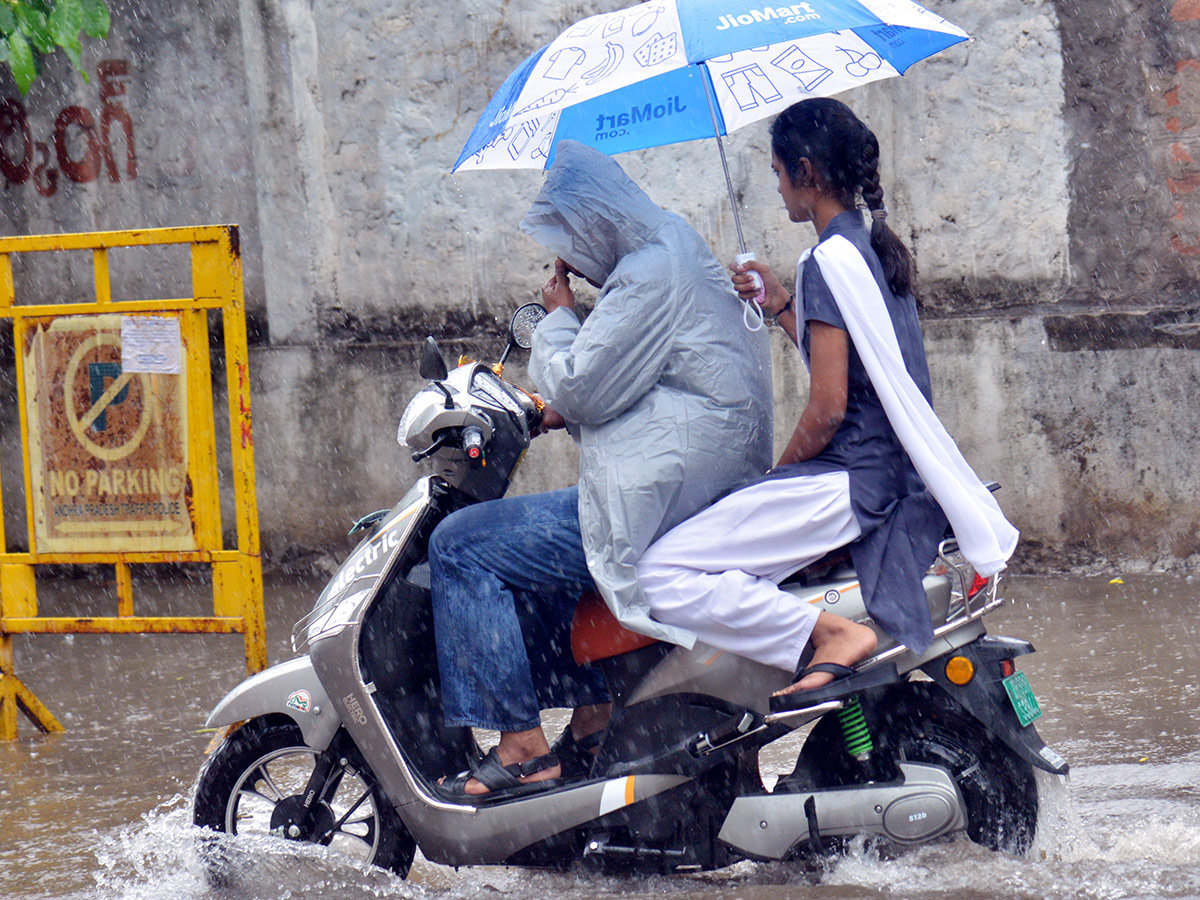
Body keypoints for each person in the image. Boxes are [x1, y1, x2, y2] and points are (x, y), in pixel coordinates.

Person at [636, 99, 1018, 700]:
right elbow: (860, 371)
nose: (779, 188)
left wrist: (773, 477)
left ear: (806, 174)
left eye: (779, 174)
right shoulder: (868, 247)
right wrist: (784, 305)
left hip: (850, 479)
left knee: (658, 573)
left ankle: (829, 634)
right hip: (886, 473)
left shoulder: (825, 259)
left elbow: (828, 408)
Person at [429, 140, 773, 796]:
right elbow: (644, 374)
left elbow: (585, 385)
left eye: (571, 240)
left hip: (667, 495)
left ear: (592, 223)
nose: (576, 264)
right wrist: (557, 408)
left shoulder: (649, 269)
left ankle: (523, 750)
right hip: (695, 481)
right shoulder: (672, 248)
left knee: (463, 547)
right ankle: (596, 719)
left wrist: (558, 319)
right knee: (541, 553)